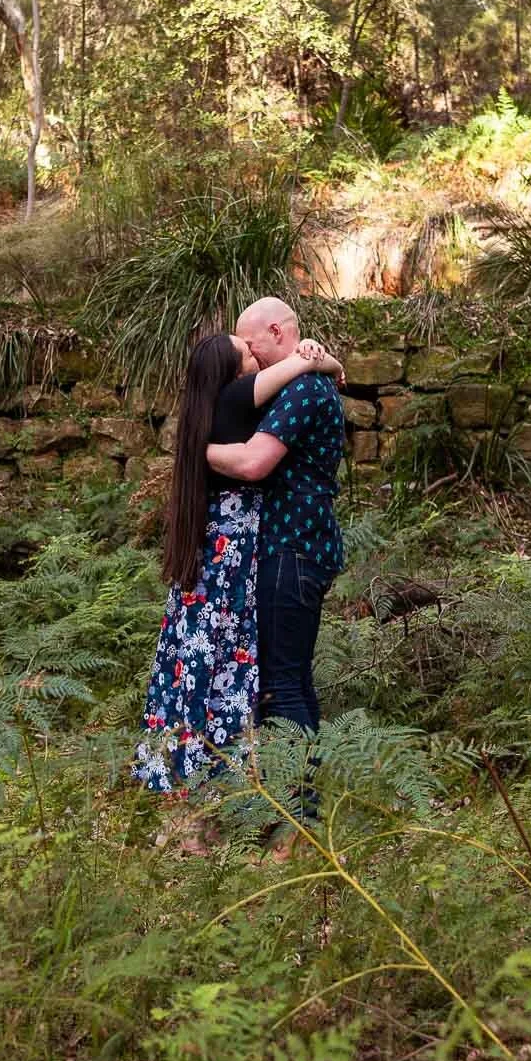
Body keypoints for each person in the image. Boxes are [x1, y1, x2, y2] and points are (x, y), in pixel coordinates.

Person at [132, 329, 343, 803]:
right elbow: (297, 369)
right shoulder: (237, 394)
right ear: (231, 370)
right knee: (224, 674)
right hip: (228, 559)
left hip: (221, 557)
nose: (253, 351)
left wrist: (325, 360)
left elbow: (311, 369)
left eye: (253, 344)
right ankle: (225, 796)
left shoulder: (207, 407)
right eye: (244, 350)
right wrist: (314, 357)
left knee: (201, 670)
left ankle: (200, 789)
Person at [206, 297, 347, 830]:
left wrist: (196, 448)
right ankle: (295, 815)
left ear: (273, 332)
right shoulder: (305, 380)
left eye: (251, 348)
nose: (252, 361)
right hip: (296, 548)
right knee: (291, 681)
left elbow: (255, 462)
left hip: (292, 548)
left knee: (281, 685)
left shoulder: (304, 390)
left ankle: (299, 823)